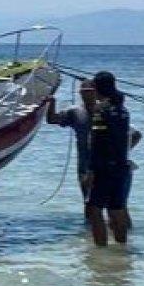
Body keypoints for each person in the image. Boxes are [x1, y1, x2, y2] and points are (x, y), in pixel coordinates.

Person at [85, 71, 132, 247]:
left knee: (94, 210)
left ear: (98, 88)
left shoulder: (101, 111)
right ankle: (122, 248)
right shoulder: (123, 111)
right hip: (121, 166)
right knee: (116, 209)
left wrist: (91, 170)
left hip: (104, 167)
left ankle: (100, 249)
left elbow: (97, 142)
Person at [46, 78, 97, 216]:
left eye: (89, 91)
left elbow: (133, 134)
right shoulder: (75, 112)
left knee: (113, 205)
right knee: (88, 201)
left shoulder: (105, 110)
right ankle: (88, 228)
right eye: (83, 91)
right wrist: (52, 102)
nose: (85, 94)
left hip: (105, 164)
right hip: (85, 164)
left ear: (96, 92)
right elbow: (52, 119)